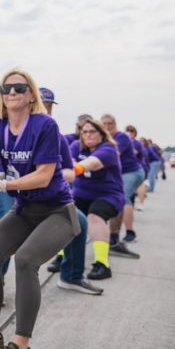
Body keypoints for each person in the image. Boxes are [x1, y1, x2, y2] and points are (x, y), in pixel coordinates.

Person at [0, 69, 79, 349]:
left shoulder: (44, 126)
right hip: (25, 209)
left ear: (30, 96)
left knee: (26, 260)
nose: (11, 93)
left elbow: (44, 176)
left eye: (18, 88)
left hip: (57, 211)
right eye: (5, 89)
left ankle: (21, 343)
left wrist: (1, 185)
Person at [38, 88, 102, 296]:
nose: (45, 110)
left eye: (49, 106)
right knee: (4, 234)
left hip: (49, 193)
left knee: (78, 221)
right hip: (15, 190)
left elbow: (70, 170)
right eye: (41, 104)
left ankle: (71, 276)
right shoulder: (15, 129)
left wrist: (61, 172)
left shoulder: (56, 134)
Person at [69, 118, 126, 281]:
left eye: (92, 131)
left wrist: (73, 168)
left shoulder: (108, 149)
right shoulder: (75, 146)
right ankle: (62, 257)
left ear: (102, 134)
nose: (88, 134)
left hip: (108, 195)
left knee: (95, 216)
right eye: (84, 131)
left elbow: (91, 164)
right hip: (81, 195)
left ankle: (102, 264)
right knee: (64, 215)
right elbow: (67, 160)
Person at [100, 114, 142, 255]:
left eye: (110, 123)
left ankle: (127, 233)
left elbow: (112, 154)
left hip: (132, 172)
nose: (107, 126)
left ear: (115, 123)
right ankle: (111, 236)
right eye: (104, 123)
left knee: (122, 198)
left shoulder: (122, 137)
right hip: (118, 174)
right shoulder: (102, 139)